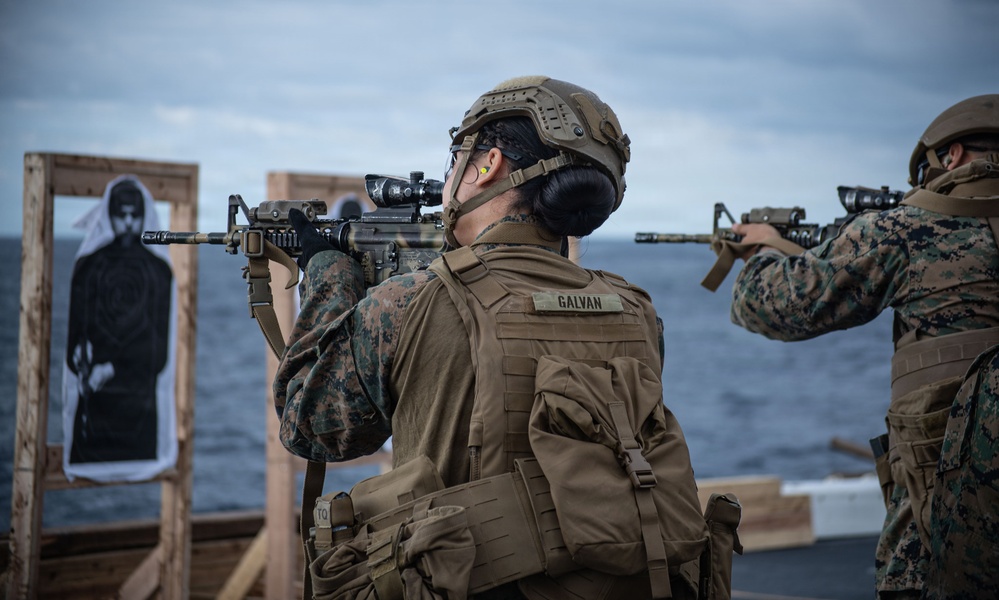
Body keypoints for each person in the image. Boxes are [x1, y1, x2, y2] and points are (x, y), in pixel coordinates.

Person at [274, 76, 717, 599]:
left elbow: (309, 424)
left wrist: (330, 278)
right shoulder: (637, 311)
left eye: (458, 157)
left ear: (486, 166)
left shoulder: (408, 302)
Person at [725, 94, 999, 599]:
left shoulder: (905, 230)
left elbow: (772, 307)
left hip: (945, 495)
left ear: (953, 155)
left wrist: (763, 249)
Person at [65, 177, 174, 467]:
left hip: (139, 409)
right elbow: (77, 330)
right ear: (109, 216)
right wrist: (79, 354)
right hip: (95, 407)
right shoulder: (89, 267)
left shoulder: (158, 271)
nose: (128, 223)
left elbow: (158, 351)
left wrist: (112, 367)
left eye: (134, 216)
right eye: (121, 215)